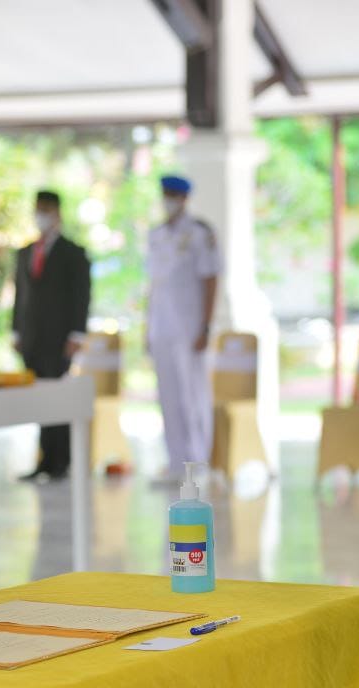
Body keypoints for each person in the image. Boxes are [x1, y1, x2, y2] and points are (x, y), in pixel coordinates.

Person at [12, 189, 91, 481]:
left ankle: (62, 461)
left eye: (46, 209)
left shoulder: (73, 254)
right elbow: (21, 294)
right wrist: (15, 330)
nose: (41, 215)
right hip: (31, 339)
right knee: (39, 400)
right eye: (38, 208)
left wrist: (77, 335)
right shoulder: (25, 252)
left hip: (60, 340)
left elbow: (81, 296)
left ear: (57, 213)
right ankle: (44, 460)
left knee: (58, 397)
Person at [145, 175, 220, 482]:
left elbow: (210, 279)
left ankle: (198, 463)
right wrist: (146, 329)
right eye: (164, 194)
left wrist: (205, 326)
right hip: (161, 327)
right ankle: (176, 463)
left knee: (193, 397)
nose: (168, 199)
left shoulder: (200, 234)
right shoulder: (157, 235)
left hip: (189, 328)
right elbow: (153, 286)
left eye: (173, 194)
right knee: (167, 397)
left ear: (185, 198)